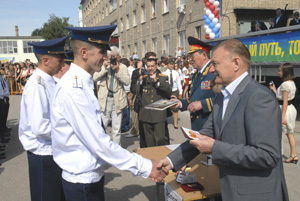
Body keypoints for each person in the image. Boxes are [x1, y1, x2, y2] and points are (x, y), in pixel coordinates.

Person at [158, 39, 289, 201]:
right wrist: (171, 161)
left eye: (215, 64)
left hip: (255, 194)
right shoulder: (222, 96)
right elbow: (201, 134)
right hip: (229, 190)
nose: (211, 69)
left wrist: (215, 147)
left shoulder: (258, 97)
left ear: (236, 63)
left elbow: (267, 155)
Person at [51, 25, 165, 201]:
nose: (106, 57)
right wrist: (145, 166)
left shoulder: (81, 81)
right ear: (83, 52)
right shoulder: (74, 88)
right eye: (101, 52)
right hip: (82, 181)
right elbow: (99, 142)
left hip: (90, 174)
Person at [18, 36, 68, 201]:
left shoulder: (48, 81)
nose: (62, 64)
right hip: (43, 153)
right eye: (60, 59)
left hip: (52, 150)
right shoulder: (37, 85)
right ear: (46, 60)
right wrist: (70, 134)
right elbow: (41, 128)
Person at [172, 37, 215, 131]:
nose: (190, 60)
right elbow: (193, 99)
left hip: (210, 125)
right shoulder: (196, 75)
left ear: (204, 55)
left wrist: (202, 104)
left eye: (192, 56)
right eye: (189, 57)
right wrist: (180, 103)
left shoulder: (215, 72)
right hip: (198, 126)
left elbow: (226, 98)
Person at [93, 46, 130, 145]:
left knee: (116, 128)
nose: (113, 58)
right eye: (111, 56)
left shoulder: (123, 67)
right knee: (102, 125)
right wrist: (104, 68)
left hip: (117, 100)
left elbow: (127, 82)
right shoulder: (103, 65)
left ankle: (117, 150)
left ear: (119, 57)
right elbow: (95, 78)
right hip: (104, 100)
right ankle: (101, 147)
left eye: (115, 56)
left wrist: (117, 70)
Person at [132, 58, 172, 147]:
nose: (150, 68)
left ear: (156, 66)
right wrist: (140, 79)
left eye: (152, 66)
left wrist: (156, 82)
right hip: (146, 114)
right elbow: (134, 90)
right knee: (149, 141)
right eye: (148, 66)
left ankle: (164, 158)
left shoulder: (162, 77)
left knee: (161, 139)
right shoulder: (143, 78)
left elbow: (168, 90)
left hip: (158, 114)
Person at [270, 63, 298, 164]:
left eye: (280, 70)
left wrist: (282, 117)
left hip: (285, 110)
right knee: (290, 133)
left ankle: (281, 154)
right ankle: (293, 155)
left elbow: (284, 101)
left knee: (282, 132)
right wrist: (274, 90)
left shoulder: (285, 84)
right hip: (291, 109)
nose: (278, 72)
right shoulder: (291, 83)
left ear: (285, 72)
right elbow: (283, 97)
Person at [163, 58, 182, 129]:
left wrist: (180, 92)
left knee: (175, 107)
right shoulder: (164, 73)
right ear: (167, 64)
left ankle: (175, 123)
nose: (171, 66)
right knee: (165, 106)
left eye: (172, 64)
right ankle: (165, 121)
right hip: (167, 92)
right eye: (170, 64)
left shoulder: (176, 73)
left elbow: (178, 83)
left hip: (174, 90)